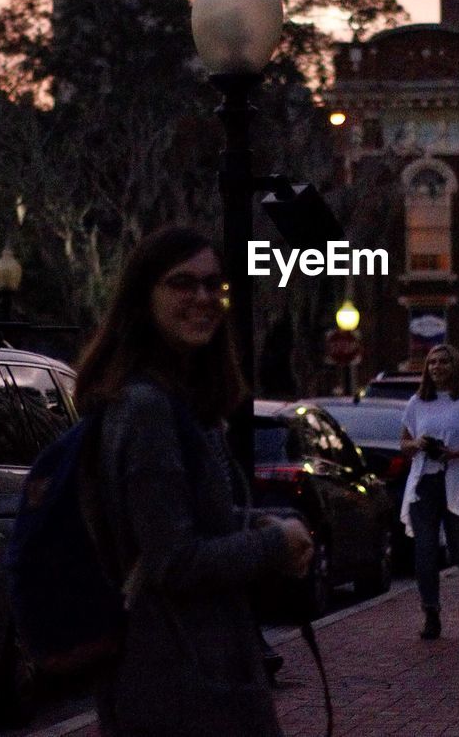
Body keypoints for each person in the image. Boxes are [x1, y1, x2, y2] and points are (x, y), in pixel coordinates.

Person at [75, 226, 313, 736]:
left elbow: (177, 522)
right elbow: (173, 560)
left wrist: (258, 523)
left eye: (214, 285)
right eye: (182, 284)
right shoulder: (146, 408)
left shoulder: (171, 401)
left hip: (190, 671)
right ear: (144, 297)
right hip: (179, 681)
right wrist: (272, 545)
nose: (203, 298)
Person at [399, 343, 459, 640]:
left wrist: (453, 453)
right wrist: (418, 444)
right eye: (432, 363)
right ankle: (431, 613)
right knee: (425, 550)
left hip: (457, 481)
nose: (437, 368)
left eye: (443, 362)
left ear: (455, 366)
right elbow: (404, 443)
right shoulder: (417, 402)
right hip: (424, 482)